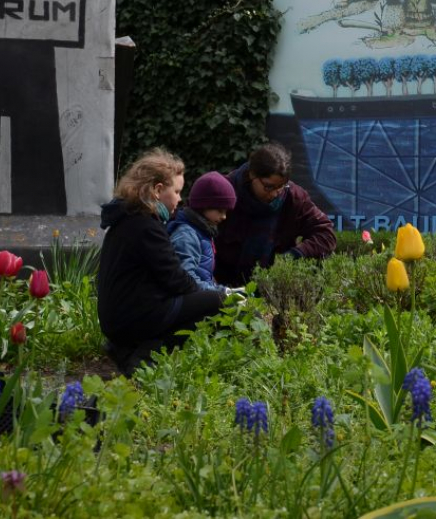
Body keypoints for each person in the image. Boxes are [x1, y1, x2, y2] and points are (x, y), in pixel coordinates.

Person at [96, 148, 224, 376]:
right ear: (157, 190)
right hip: (130, 319)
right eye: (177, 191)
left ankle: (126, 349)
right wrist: (214, 293)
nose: (180, 199)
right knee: (215, 302)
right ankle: (144, 357)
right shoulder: (146, 226)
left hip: (117, 317)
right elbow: (176, 279)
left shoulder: (126, 218)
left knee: (193, 301)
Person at [214, 142, 336, 286]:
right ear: (252, 174)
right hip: (220, 286)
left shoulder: (294, 197)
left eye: (281, 187)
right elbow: (195, 228)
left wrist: (295, 255)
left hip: (272, 287)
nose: (274, 194)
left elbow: (326, 234)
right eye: (268, 187)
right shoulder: (223, 190)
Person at [167, 171, 236, 292]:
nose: (224, 217)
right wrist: (219, 293)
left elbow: (204, 275)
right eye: (220, 211)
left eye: (226, 212)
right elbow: (186, 278)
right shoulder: (186, 234)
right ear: (204, 206)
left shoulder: (203, 231)